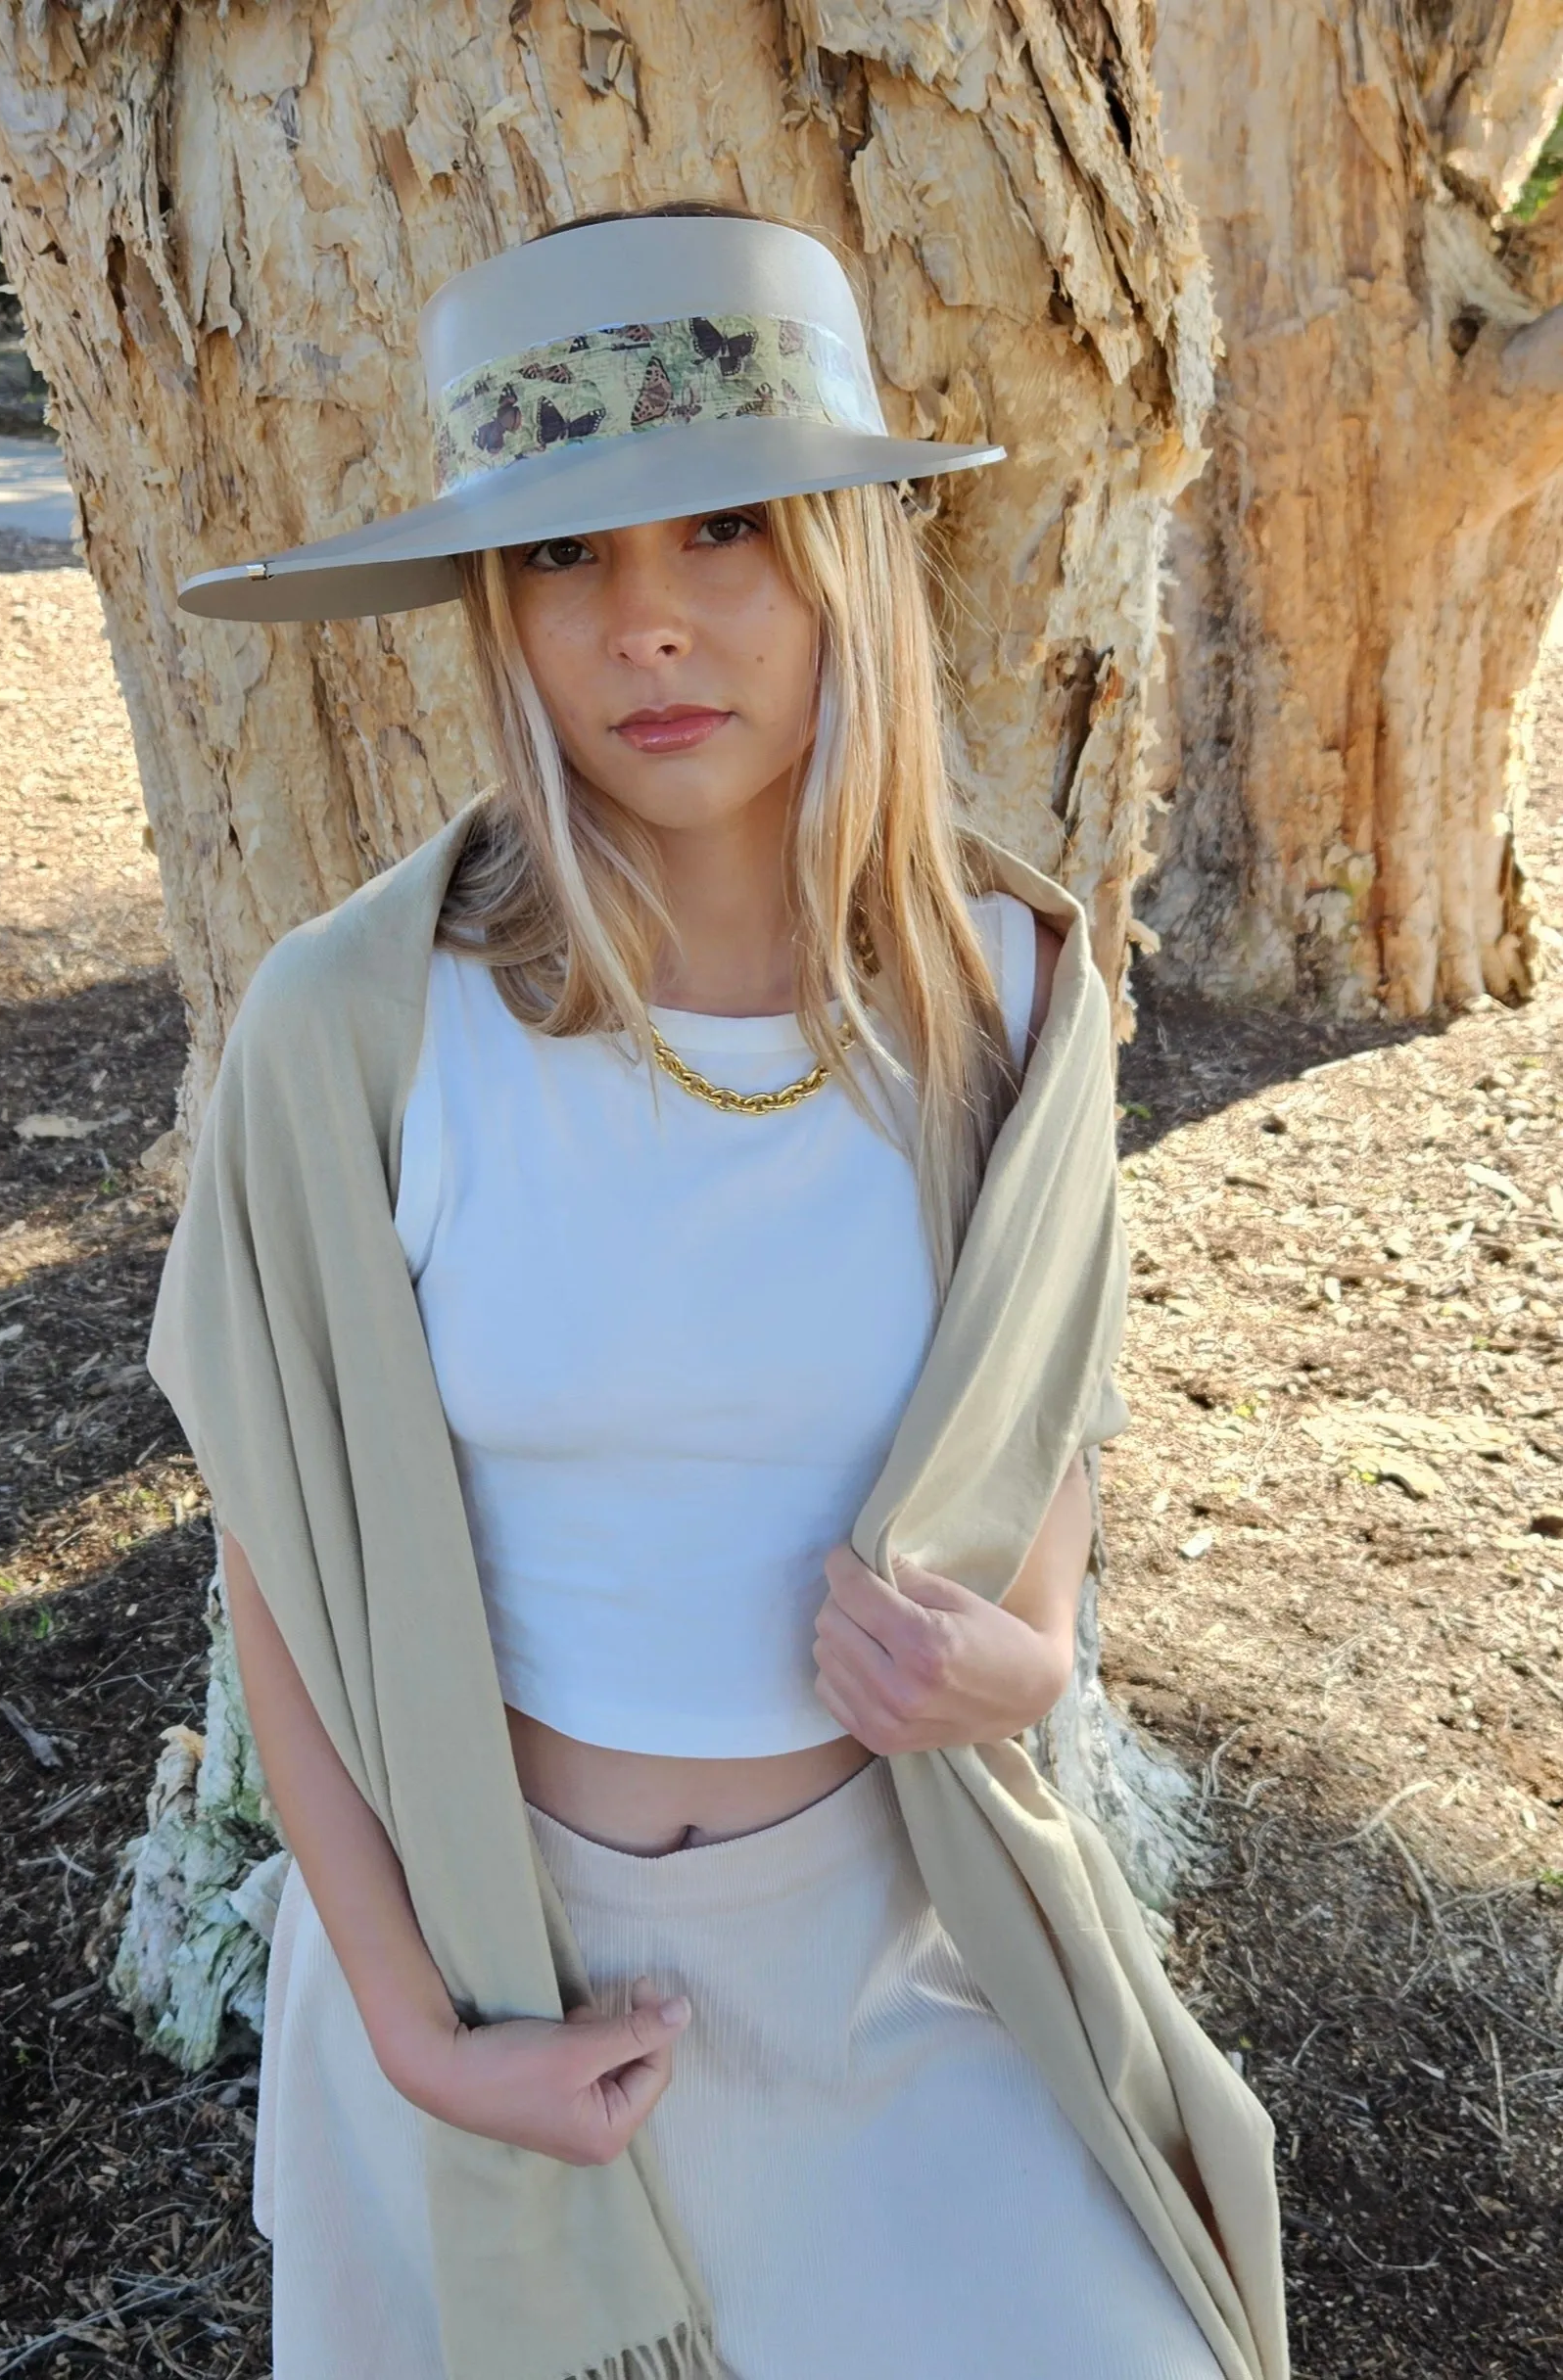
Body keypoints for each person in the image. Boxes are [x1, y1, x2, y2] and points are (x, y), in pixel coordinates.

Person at [150, 207, 1288, 2380]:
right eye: (565, 560)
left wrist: (1018, 1654)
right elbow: (281, 1572)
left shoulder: (1009, 1001)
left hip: (899, 1947)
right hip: (502, 1978)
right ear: (495, 606)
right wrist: (415, 2030)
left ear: (846, 560)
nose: (645, 628)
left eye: (725, 534)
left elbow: (1031, 1426)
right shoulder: (357, 1029)